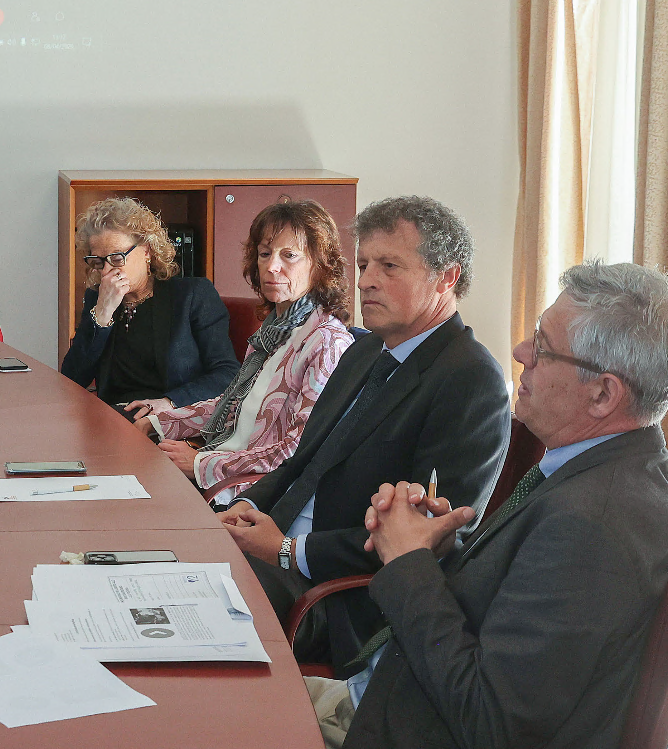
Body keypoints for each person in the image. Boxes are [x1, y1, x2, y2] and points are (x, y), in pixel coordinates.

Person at [311, 261, 668, 749]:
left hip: (390, 727)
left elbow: (491, 723)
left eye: (542, 347)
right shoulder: (604, 470)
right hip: (380, 699)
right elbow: (510, 603)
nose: (520, 352)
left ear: (603, 394)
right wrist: (441, 552)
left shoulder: (594, 525)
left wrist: (408, 563)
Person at [220, 195, 510, 675]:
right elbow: (302, 460)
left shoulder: (471, 381)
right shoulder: (366, 348)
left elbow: (428, 539)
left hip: (339, 600)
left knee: (202, 605)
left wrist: (289, 551)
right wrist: (247, 505)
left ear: (446, 277)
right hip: (277, 550)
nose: (365, 280)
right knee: (182, 564)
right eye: (363, 265)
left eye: (389, 266)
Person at [130, 200, 354, 495]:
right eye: (265, 253)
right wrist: (158, 422)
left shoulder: (327, 342)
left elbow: (299, 449)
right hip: (218, 464)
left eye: (289, 255)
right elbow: (233, 406)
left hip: (252, 492)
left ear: (320, 265)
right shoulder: (273, 330)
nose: (272, 267)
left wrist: (200, 463)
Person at [59, 197, 239, 418]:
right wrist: (103, 314)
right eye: (98, 261)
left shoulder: (192, 295)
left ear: (147, 250)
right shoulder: (98, 299)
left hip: (171, 418)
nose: (106, 271)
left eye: (117, 258)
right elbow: (72, 379)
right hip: (113, 418)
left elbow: (227, 373)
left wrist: (170, 403)